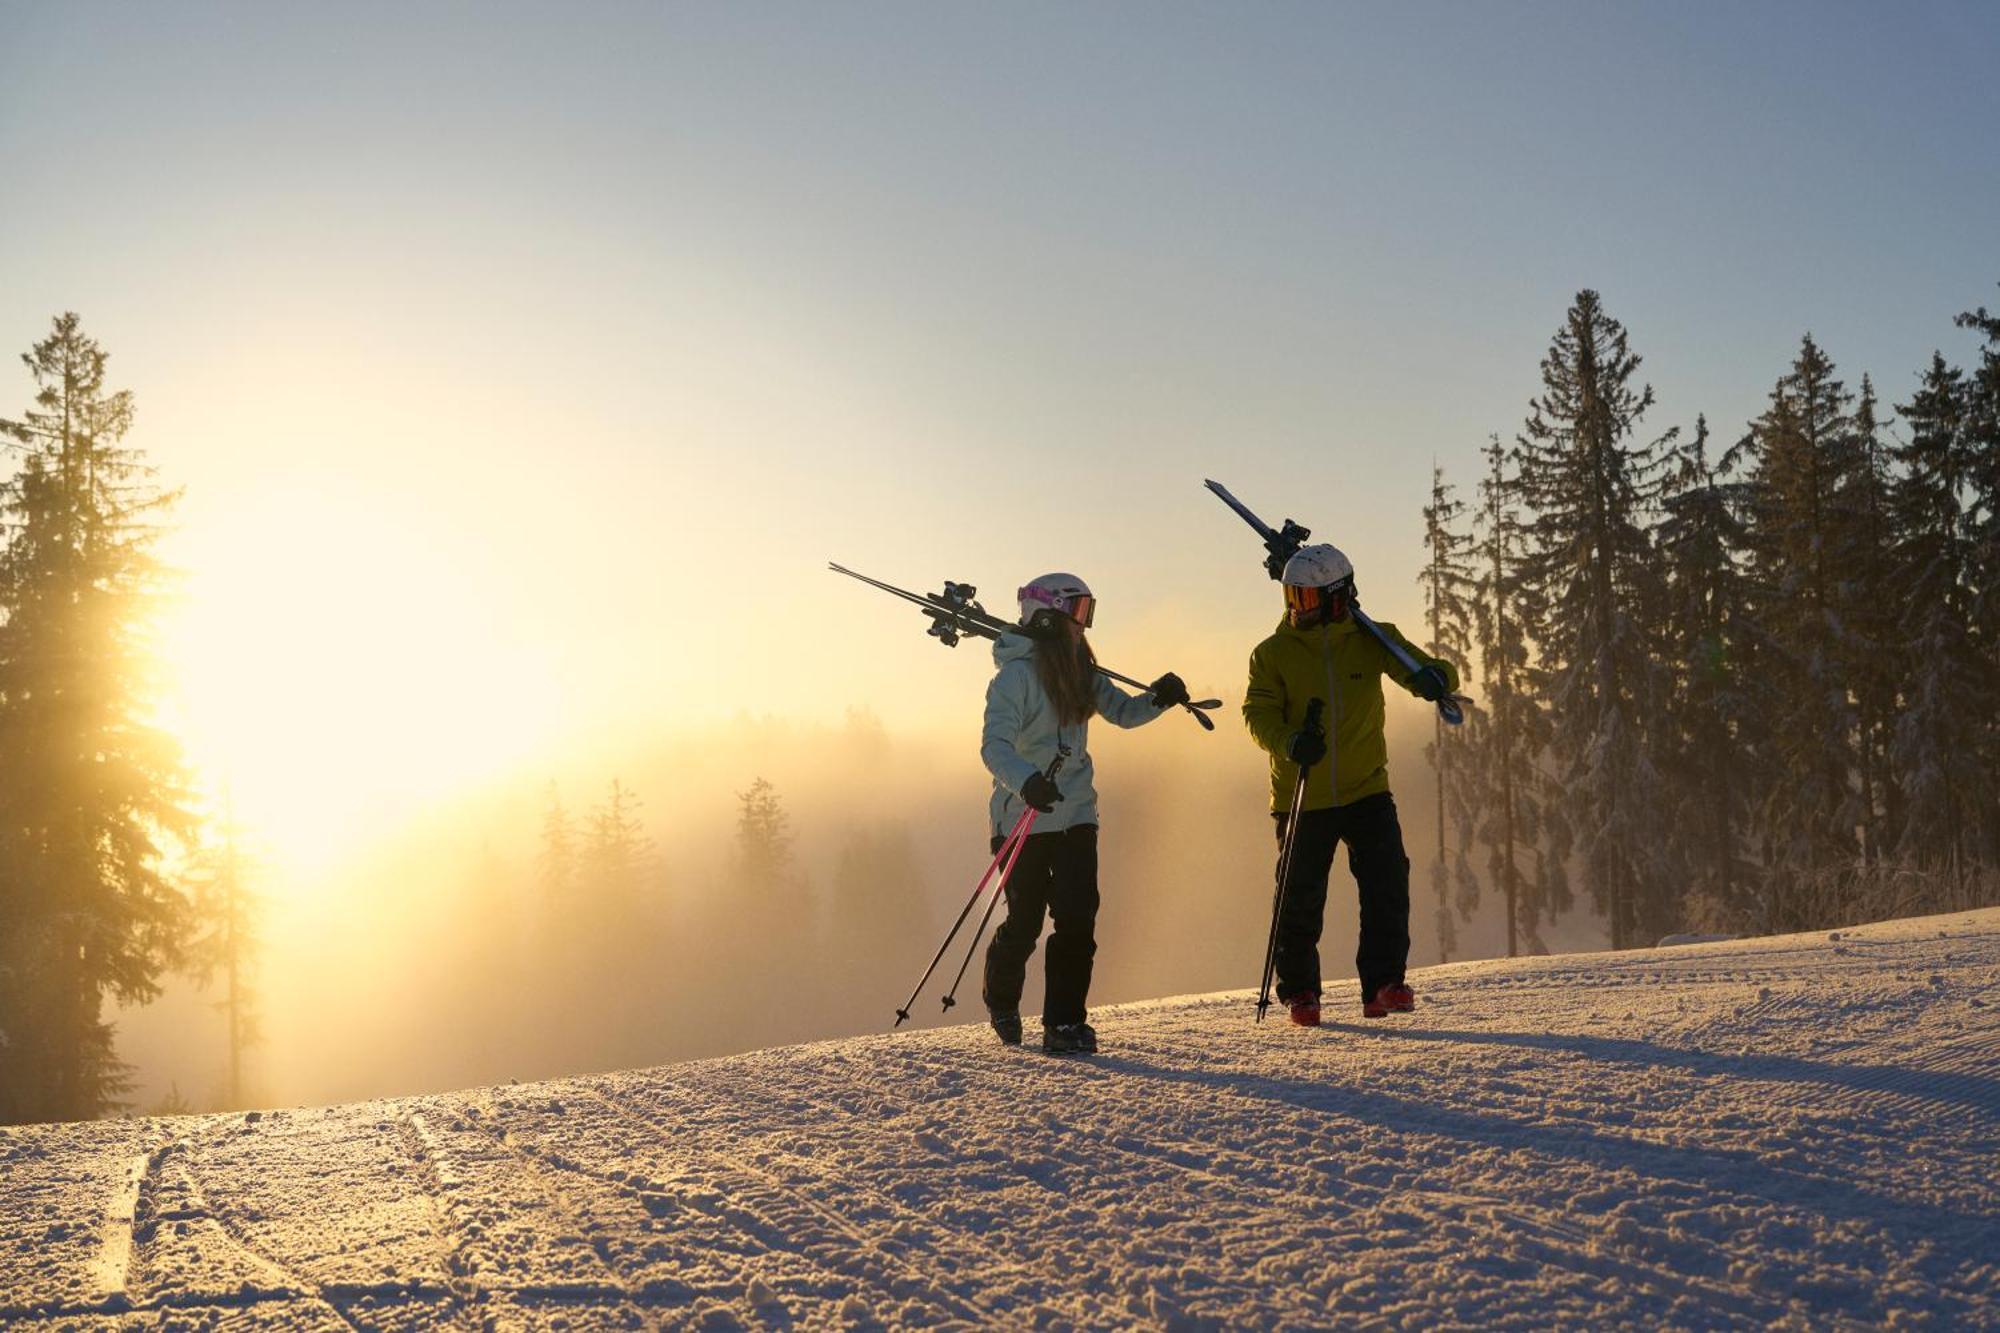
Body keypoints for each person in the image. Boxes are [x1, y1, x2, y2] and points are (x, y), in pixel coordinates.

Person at [1242, 544, 1459, 1025]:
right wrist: (1290, 741)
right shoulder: (1271, 654)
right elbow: (1256, 715)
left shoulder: (1372, 639)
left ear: (1337, 597)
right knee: (1299, 896)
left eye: (1307, 598)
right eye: (1291, 597)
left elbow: (1430, 668)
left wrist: (1434, 678)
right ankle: (1300, 991)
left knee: (1387, 884)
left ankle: (1383, 984)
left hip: (1367, 789)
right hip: (1303, 792)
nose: (1296, 608)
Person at [980, 572, 1188, 1054]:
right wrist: (1026, 781)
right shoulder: (1013, 678)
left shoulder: (1081, 673)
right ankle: (1002, 998)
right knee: (1026, 922)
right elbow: (995, 745)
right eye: (1077, 613)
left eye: (1087, 613)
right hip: (1023, 819)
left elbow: (1125, 713)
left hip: (1075, 816)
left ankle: (1065, 1023)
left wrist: (1159, 699)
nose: (1083, 625)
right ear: (1048, 616)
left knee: (1077, 919)